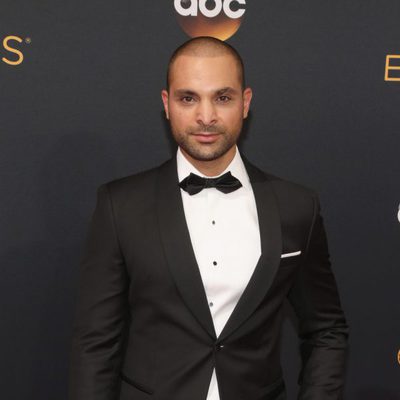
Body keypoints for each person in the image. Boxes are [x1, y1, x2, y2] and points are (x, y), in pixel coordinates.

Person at [68, 36, 349, 400]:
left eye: (222, 97)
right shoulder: (120, 205)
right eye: (188, 98)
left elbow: (326, 329)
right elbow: (95, 341)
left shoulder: (296, 207)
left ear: (245, 103)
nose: (206, 116)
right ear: (166, 104)